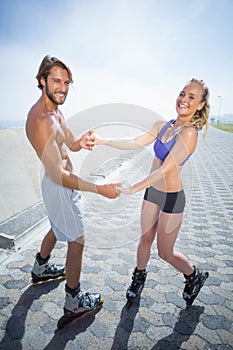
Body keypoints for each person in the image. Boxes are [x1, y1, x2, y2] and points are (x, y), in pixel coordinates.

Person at [93, 78, 210, 307]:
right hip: (152, 194)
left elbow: (166, 170)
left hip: (172, 199)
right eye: (182, 93)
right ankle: (138, 279)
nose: (184, 99)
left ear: (200, 105)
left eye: (191, 97)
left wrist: (132, 188)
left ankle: (193, 275)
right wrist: (102, 140)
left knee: (165, 252)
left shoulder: (189, 134)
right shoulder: (163, 125)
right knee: (145, 239)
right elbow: (135, 141)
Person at [25, 55, 120, 324]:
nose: (63, 87)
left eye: (67, 82)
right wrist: (99, 189)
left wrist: (82, 142)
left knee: (57, 227)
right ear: (42, 80)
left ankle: (40, 268)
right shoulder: (41, 119)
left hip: (62, 183)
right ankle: (73, 302)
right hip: (59, 185)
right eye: (56, 80)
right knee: (77, 241)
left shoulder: (56, 110)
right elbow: (58, 174)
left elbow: (70, 144)